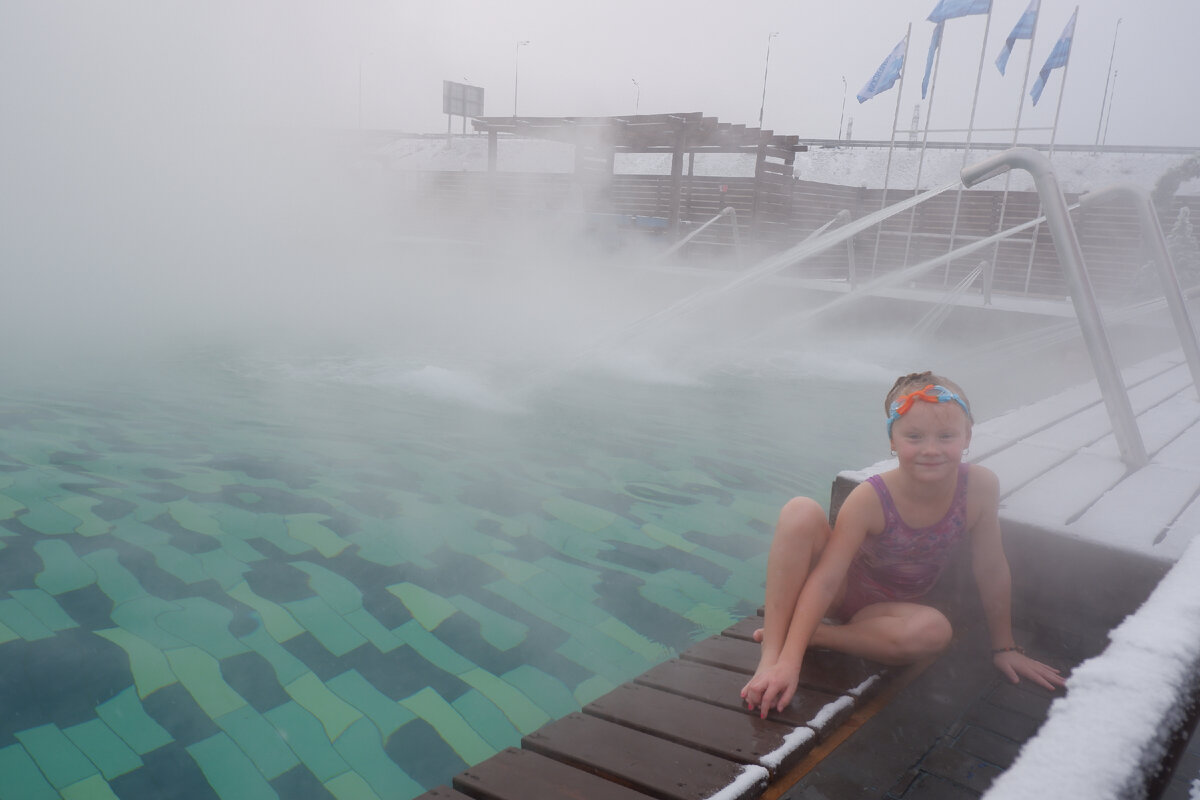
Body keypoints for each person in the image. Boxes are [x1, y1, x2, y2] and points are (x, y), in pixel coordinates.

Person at [740, 371, 1066, 719]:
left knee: (935, 632)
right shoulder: (871, 498)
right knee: (799, 511)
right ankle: (772, 655)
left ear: (967, 435)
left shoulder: (980, 488)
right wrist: (788, 664)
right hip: (842, 593)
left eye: (946, 436)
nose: (931, 449)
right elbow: (827, 578)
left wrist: (1004, 647)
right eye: (914, 436)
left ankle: (817, 637)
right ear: (892, 440)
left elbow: (991, 567)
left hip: (889, 613)